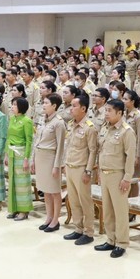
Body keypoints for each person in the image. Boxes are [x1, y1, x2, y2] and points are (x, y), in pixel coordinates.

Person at [94, 99, 136, 258]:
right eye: (105, 111)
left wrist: (127, 178)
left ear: (119, 113)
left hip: (118, 175)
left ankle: (122, 243)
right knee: (108, 211)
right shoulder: (105, 128)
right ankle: (110, 239)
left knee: (120, 211)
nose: (106, 114)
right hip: (104, 173)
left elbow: (130, 157)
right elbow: (102, 151)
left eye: (109, 111)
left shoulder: (127, 131)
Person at [63, 93, 98, 244]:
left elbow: (93, 151)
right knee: (73, 200)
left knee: (85, 201)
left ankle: (88, 232)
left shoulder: (90, 128)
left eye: (74, 106)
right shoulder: (71, 124)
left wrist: (88, 171)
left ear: (83, 108)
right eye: (71, 106)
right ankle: (78, 228)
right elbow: (68, 146)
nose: (71, 109)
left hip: (81, 169)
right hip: (70, 166)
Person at [33, 93, 65, 232]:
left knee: (54, 191)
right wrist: (33, 158)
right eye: (43, 102)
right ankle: (49, 217)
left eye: (46, 103)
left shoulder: (59, 122)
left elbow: (60, 147)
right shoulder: (42, 119)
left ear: (54, 106)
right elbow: (36, 140)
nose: (43, 105)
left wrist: (57, 166)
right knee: (45, 190)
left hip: (51, 159)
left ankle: (55, 220)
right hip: (40, 156)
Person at [5, 97, 34, 221]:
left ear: (21, 107)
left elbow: (29, 141)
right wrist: (6, 153)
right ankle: (14, 208)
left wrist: (27, 158)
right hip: (11, 152)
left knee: (22, 183)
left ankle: (24, 210)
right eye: (12, 105)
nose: (12, 107)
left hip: (21, 153)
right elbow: (8, 137)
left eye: (15, 105)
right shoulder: (12, 119)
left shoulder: (27, 121)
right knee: (12, 182)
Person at [123, 90, 140, 197]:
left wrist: (137, 156)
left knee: (133, 178)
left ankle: (133, 206)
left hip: (133, 151)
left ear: (133, 101)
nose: (124, 101)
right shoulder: (123, 114)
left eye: (126, 99)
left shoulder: (138, 116)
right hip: (123, 149)